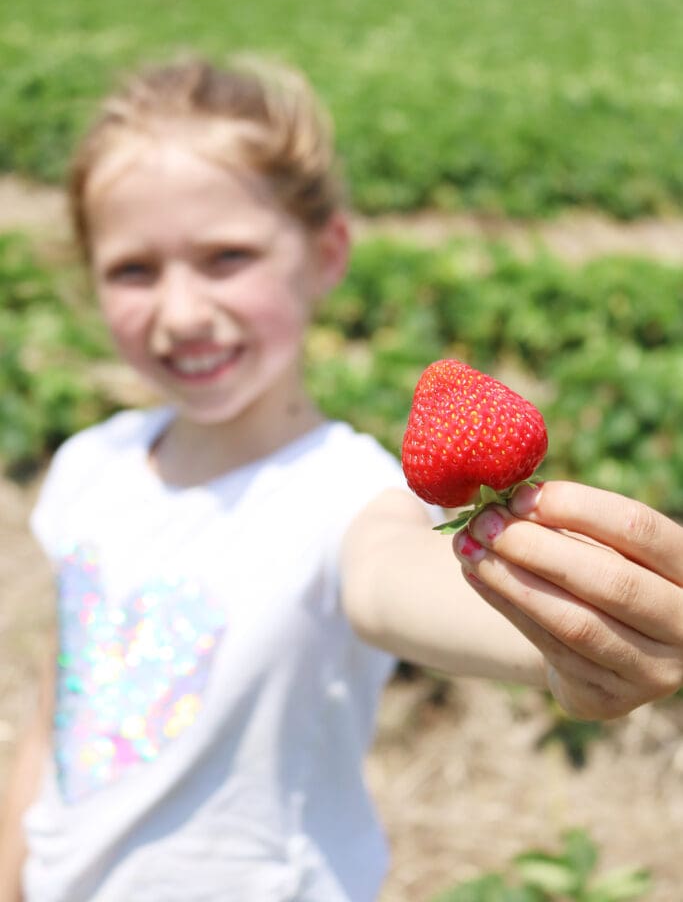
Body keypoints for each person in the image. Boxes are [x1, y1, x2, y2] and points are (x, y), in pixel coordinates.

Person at [1, 55, 681, 902]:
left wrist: (556, 643)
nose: (179, 312)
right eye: (134, 270)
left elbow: (396, 579)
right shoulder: (89, 466)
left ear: (325, 256)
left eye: (226, 257)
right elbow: (57, 716)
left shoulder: (343, 496)